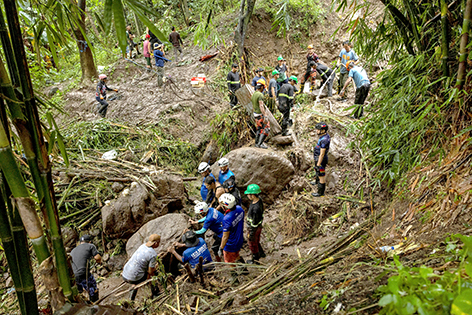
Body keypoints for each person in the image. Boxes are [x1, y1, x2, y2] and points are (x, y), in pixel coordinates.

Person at [122, 234, 161, 300]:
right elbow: (150, 271)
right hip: (134, 278)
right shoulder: (153, 254)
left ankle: (131, 297)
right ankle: (155, 292)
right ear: (156, 243)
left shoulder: (142, 246)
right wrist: (156, 266)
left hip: (125, 273)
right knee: (153, 274)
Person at [218, 194, 247, 279]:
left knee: (229, 261)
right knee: (237, 255)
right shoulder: (240, 209)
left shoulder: (227, 218)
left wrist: (221, 247)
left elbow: (225, 236)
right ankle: (244, 270)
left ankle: (234, 279)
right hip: (239, 239)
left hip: (230, 244)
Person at [70, 235, 102, 302]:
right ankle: (95, 304)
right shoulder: (90, 246)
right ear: (89, 242)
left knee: (80, 293)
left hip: (73, 275)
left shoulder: (73, 250)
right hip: (83, 273)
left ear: (80, 242)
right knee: (93, 289)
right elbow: (97, 257)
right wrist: (99, 262)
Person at [244, 184, 266, 264]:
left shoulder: (256, 208)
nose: (247, 196)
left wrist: (251, 234)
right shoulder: (258, 200)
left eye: (248, 194)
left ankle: (255, 260)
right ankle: (261, 253)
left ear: (252, 195)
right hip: (258, 227)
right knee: (256, 241)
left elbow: (255, 223)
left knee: (252, 243)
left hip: (254, 228)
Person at [311, 122, 330, 197]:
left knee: (321, 174)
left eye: (318, 130)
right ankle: (316, 181)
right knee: (317, 171)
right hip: (318, 157)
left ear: (323, 130)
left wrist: (318, 164)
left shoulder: (324, 140)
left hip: (321, 159)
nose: (316, 131)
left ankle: (320, 192)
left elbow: (322, 154)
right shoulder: (323, 136)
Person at [251, 79, 270, 149]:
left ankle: (256, 143)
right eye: (263, 87)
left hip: (255, 114)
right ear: (261, 87)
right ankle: (260, 143)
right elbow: (261, 105)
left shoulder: (254, 94)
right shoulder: (260, 95)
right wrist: (265, 115)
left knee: (258, 129)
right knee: (266, 128)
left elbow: (253, 106)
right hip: (260, 114)